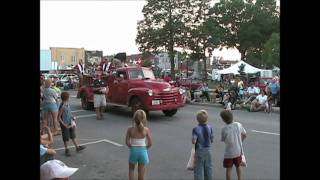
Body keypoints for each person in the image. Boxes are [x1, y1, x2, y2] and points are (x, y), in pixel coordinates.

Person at [125, 110, 153, 180]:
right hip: (143, 151)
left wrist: (131, 147)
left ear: (134, 118)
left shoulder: (130, 129)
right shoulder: (146, 130)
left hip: (133, 151)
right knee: (141, 171)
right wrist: (145, 148)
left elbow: (127, 142)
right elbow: (150, 143)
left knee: (131, 169)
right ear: (144, 119)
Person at [220, 110, 247, 180]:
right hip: (238, 151)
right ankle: (239, 178)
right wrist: (240, 141)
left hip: (229, 153)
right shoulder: (238, 124)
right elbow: (244, 134)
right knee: (238, 166)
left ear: (223, 120)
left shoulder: (224, 128)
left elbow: (223, 139)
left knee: (228, 169)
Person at [58, 92, 86, 156]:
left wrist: (72, 117)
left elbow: (69, 113)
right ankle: (66, 149)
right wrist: (64, 124)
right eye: (69, 97)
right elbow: (58, 117)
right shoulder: (62, 106)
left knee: (73, 135)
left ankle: (77, 147)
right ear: (67, 98)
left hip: (70, 122)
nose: (70, 98)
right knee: (66, 137)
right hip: (65, 124)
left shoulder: (67, 104)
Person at [192, 110, 214, 180]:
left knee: (198, 169)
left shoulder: (196, 129)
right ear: (207, 119)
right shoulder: (210, 127)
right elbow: (212, 139)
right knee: (208, 168)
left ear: (197, 119)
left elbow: (194, 141)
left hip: (200, 151)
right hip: (208, 150)